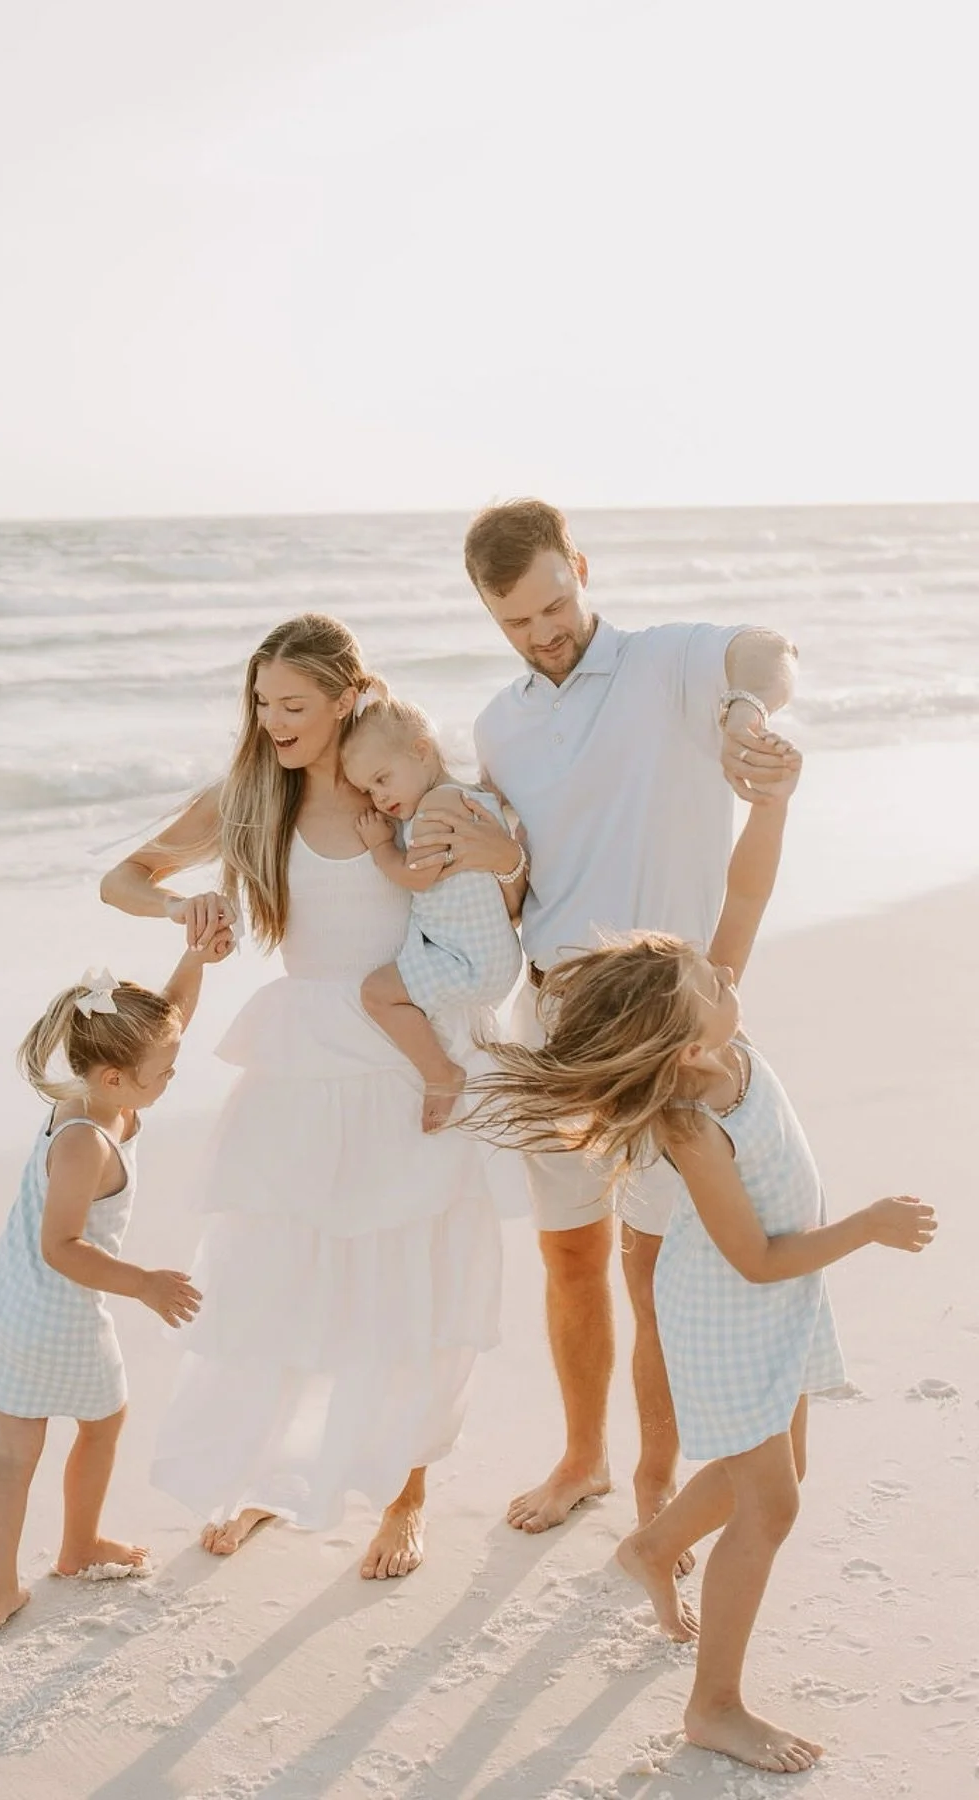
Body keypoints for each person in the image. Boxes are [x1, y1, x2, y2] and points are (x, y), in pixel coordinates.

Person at [466, 776, 937, 1775]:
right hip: (735, 1307)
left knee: (775, 1474)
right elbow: (753, 1258)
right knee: (772, 1505)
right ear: (683, 1046)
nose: (730, 979)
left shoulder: (710, 1030)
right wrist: (867, 1226)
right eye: (712, 984)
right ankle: (713, 1706)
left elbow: (746, 898)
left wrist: (772, 805)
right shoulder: (689, 1120)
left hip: (780, 1295)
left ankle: (648, 1548)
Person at [409, 497, 801, 1542]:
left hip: (666, 1024)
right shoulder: (499, 725)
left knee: (654, 1260)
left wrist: (741, 716)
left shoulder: (669, 665)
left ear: (579, 567)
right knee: (571, 1256)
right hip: (553, 1022)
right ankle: (585, 1457)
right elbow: (522, 875)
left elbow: (768, 649)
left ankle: (656, 1478)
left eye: (554, 604)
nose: (543, 635)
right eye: (515, 622)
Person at [99, 613, 506, 1580]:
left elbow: (501, 885)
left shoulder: (400, 787)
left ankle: (404, 1497)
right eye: (261, 703)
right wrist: (178, 904)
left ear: (344, 696)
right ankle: (257, 1481)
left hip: (407, 1059)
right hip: (304, 1063)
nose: (273, 720)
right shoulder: (250, 797)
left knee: (407, 1287)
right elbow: (124, 876)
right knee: (277, 1285)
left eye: (292, 704)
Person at [0, 940, 230, 1628]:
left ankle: (2, 1589)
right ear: (118, 1077)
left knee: (17, 1448)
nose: (172, 1078)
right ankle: (77, 1546)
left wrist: (196, 961)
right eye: (165, 1073)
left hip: (11, 1298)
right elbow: (61, 1246)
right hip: (52, 1308)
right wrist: (143, 1283)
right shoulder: (85, 1140)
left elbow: (168, 1017)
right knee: (98, 1422)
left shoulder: (100, 1089)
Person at [339, 683, 525, 1130]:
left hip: (467, 961)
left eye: (382, 779)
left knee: (377, 994)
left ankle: (440, 1073)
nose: (379, 799)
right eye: (367, 790)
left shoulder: (432, 811)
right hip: (492, 953)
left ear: (422, 751)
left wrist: (382, 845)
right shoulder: (471, 795)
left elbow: (416, 875)